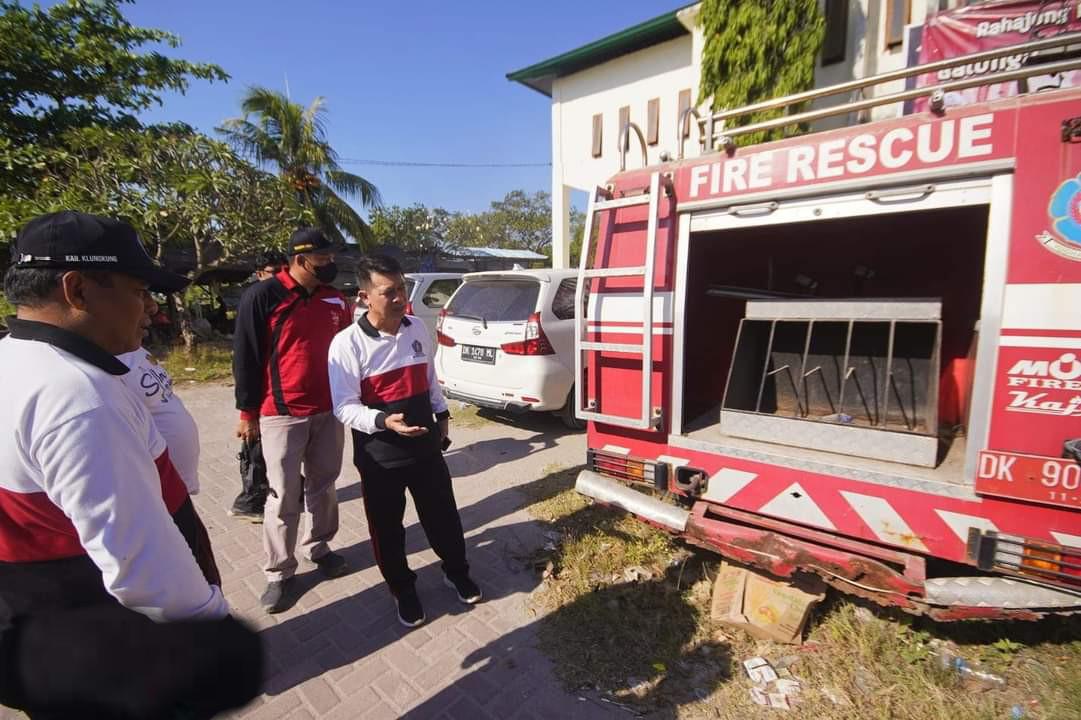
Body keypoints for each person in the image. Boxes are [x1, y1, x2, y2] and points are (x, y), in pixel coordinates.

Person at [0, 211, 261, 719]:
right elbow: (140, 561)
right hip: (99, 630)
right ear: (77, 290)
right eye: (138, 290)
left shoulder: (17, 358)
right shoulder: (76, 396)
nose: (151, 308)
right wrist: (211, 630)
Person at [328, 253, 481, 629]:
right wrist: (382, 420)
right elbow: (343, 407)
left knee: (443, 515)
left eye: (401, 288)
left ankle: (456, 571)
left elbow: (429, 378)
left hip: (426, 447)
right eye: (388, 292)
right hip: (381, 456)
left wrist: (442, 415)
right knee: (388, 529)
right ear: (364, 297)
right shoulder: (346, 345)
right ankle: (403, 588)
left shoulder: (415, 328)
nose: (400, 298)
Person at [233, 228, 351, 613]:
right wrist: (246, 412)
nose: (331, 265)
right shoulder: (263, 296)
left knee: (325, 483)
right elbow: (246, 357)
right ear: (300, 260)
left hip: (329, 409)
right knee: (283, 494)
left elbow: (348, 351)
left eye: (332, 257)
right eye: (323, 259)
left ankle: (318, 547)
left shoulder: (336, 297)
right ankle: (279, 573)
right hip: (281, 413)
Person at [117, 293, 201, 495]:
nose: (153, 306)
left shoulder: (132, 345)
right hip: (152, 491)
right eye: (138, 292)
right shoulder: (100, 366)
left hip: (175, 487)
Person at [229, 248, 289, 522]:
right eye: (272, 272)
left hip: (285, 394)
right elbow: (246, 357)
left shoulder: (292, 297)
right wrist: (247, 412)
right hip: (262, 393)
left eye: (282, 270)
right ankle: (251, 500)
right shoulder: (255, 299)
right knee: (256, 451)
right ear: (259, 274)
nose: (278, 276)